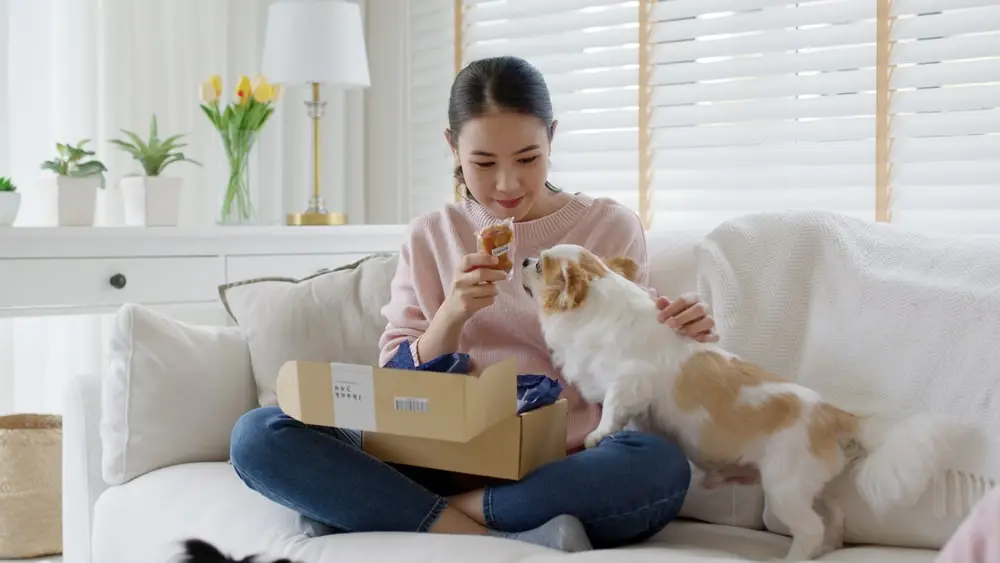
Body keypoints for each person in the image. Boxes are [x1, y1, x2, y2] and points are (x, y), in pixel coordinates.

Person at [229, 55, 720, 553]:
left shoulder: (607, 227)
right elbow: (394, 383)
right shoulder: (431, 235)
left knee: (658, 467)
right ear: (452, 147)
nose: (507, 185)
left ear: (552, 138)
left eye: (528, 159)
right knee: (259, 435)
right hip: (431, 453)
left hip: (554, 462)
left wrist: (677, 331)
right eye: (484, 163)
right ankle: (490, 532)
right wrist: (452, 314)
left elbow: (632, 353)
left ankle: (388, 510)